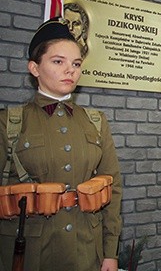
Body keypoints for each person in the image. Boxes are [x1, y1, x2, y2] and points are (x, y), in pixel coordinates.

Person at [0, 18, 122, 271]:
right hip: (31, 254)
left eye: (76, 64)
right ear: (34, 67)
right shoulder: (10, 123)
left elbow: (113, 189)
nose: (71, 70)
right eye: (58, 62)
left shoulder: (95, 121)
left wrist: (110, 252)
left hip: (86, 250)